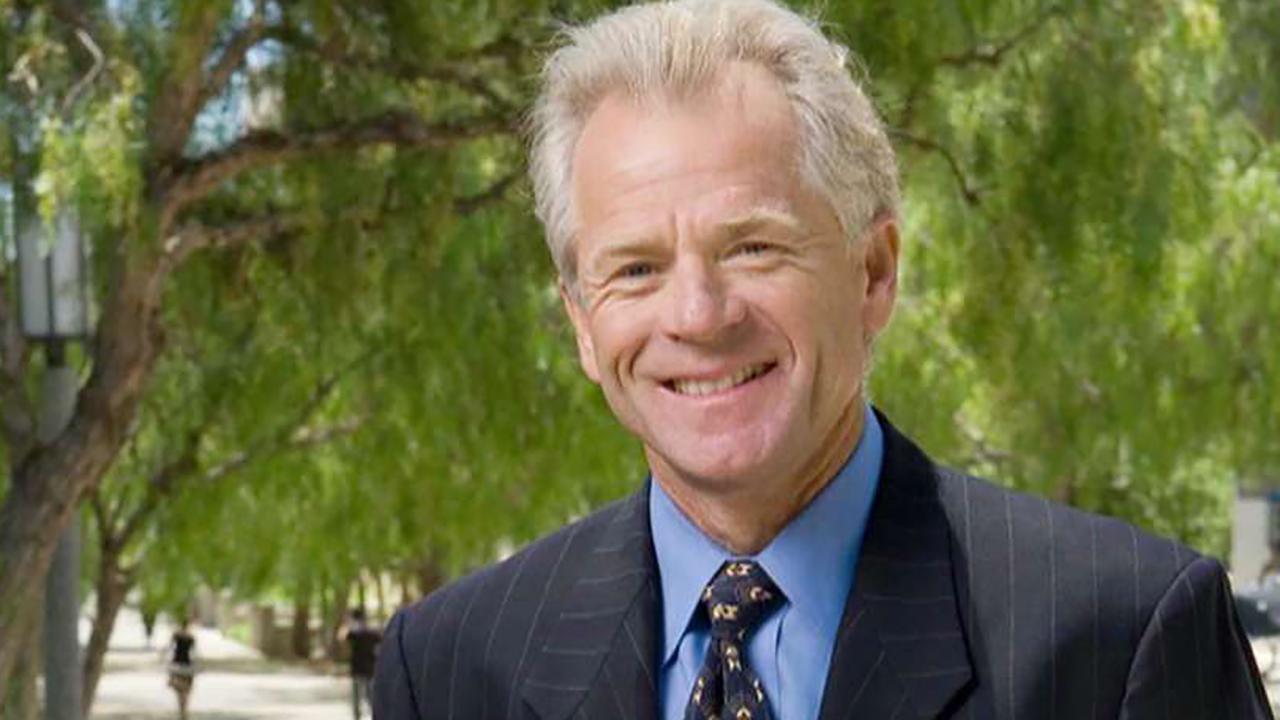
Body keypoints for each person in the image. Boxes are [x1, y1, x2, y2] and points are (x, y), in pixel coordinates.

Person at [373, 1, 1271, 717]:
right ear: (581, 322)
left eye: (752, 248)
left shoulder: (1122, 638)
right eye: (636, 268)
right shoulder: (449, 669)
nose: (698, 315)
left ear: (873, 272)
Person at [344, 606, 381, 719]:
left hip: (357, 668)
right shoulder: (373, 632)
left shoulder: (353, 633)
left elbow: (342, 637)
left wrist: (347, 624)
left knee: (357, 697)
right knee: (370, 696)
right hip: (371, 667)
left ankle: (357, 716)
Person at [166, 618, 196, 720]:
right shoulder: (191, 637)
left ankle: (182, 708)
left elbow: (170, 648)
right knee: (186, 689)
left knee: (178, 689)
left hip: (177, 664)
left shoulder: (176, 635)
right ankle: (184, 709)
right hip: (187, 664)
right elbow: (194, 653)